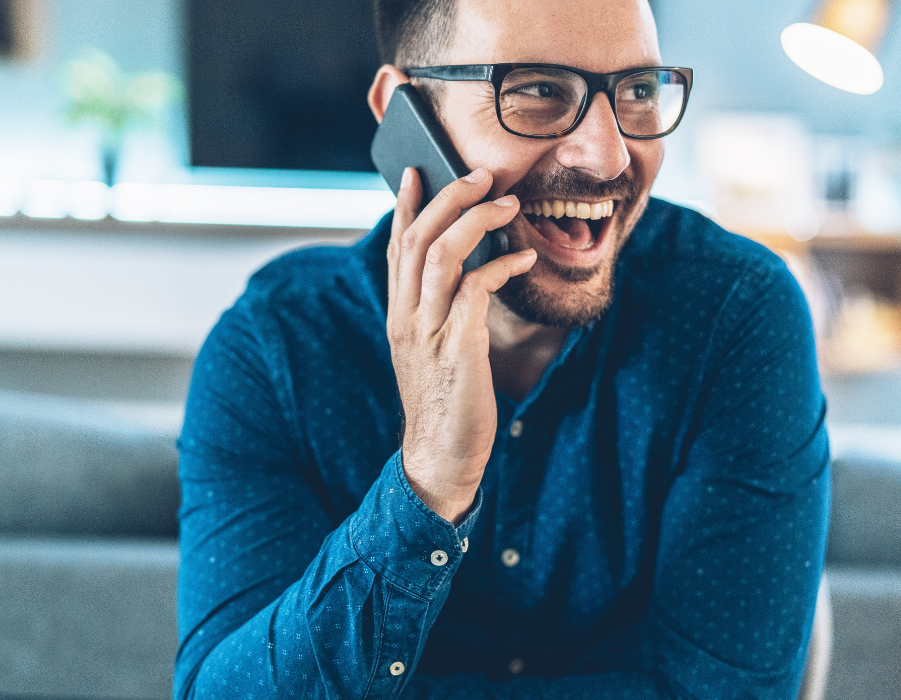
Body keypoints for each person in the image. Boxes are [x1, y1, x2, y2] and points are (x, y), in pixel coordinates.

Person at [174, 0, 830, 697]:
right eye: (539, 91)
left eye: (637, 91)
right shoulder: (274, 351)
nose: (608, 156)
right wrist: (427, 485)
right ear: (404, 111)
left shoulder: (734, 318)